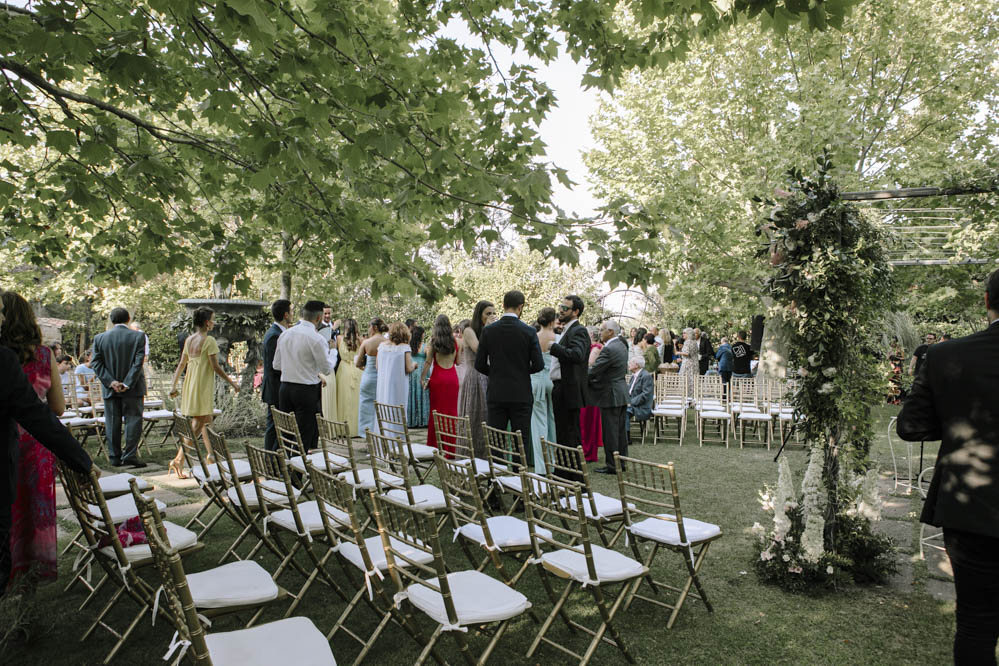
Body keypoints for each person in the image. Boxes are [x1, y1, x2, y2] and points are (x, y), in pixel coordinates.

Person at [896, 269, 999, 665]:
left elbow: (911, 426)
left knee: (976, 622)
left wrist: (958, 424)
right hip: (972, 507)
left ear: (986, 301)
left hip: (971, 503)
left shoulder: (946, 355)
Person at [0, 288, 92, 596]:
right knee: (32, 516)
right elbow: (56, 409)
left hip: (14, 443)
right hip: (36, 445)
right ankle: (28, 586)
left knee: (9, 515)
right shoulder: (42, 355)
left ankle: (9, 578)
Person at [169, 307, 240, 477]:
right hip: (201, 385)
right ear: (207, 323)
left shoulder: (189, 339)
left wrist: (173, 385)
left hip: (191, 383)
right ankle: (179, 460)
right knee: (197, 424)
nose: (214, 322)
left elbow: (181, 364)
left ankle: (211, 456)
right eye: (213, 319)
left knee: (206, 421)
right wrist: (232, 382)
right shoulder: (209, 341)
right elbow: (216, 367)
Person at [475, 291, 544, 463]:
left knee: (496, 440)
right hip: (521, 392)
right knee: (520, 441)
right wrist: (521, 371)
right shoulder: (528, 331)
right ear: (520, 307)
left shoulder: (489, 331)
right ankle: (519, 481)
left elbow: (479, 364)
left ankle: (495, 481)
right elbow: (539, 365)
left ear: (503, 305)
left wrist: (496, 372)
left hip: (497, 391)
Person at [91, 307, 147, 467]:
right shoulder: (138, 336)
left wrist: (111, 382)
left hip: (110, 388)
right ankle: (130, 455)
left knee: (112, 421)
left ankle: (114, 456)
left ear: (111, 320)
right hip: (134, 387)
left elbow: (95, 362)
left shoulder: (99, 338)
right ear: (128, 320)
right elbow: (138, 363)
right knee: (134, 420)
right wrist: (127, 383)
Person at [273, 301, 332, 452]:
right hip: (306, 391)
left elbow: (276, 365)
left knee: (285, 433)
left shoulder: (285, 334)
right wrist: (334, 354)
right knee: (303, 436)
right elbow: (326, 369)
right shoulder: (316, 338)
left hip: (285, 389)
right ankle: (297, 474)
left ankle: (282, 470)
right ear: (319, 318)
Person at [549, 294, 590, 451]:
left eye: (565, 308)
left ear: (576, 311)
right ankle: (563, 472)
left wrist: (554, 347)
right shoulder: (567, 329)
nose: (561, 310)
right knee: (562, 433)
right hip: (561, 387)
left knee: (569, 434)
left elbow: (577, 355)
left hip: (568, 389)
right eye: (560, 307)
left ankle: (573, 474)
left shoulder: (578, 330)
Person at [589, 321, 629, 474]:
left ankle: (612, 465)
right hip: (621, 392)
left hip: (611, 394)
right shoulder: (622, 345)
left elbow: (595, 370)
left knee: (610, 432)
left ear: (611, 332)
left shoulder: (609, 349)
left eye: (602, 330)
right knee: (619, 432)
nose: (600, 333)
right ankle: (622, 462)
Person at [459, 301, 494, 457]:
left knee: (486, 418)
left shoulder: (490, 331)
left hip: (488, 377)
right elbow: (479, 351)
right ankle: (470, 455)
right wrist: (488, 329)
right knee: (473, 416)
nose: (492, 316)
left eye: (494, 313)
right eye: (488, 313)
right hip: (474, 376)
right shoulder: (469, 330)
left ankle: (486, 455)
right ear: (479, 314)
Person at [422, 315, 459, 452]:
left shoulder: (434, 342)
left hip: (438, 379)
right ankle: (451, 447)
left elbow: (428, 362)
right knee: (451, 413)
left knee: (436, 413)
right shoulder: (454, 342)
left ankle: (435, 446)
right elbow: (458, 361)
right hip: (452, 378)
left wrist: (422, 378)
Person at [261, 299, 292, 452]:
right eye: (291, 311)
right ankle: (270, 460)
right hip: (275, 387)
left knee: (276, 425)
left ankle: (274, 458)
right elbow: (275, 366)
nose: (292, 314)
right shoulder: (275, 335)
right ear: (286, 314)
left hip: (277, 386)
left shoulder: (278, 332)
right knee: (274, 426)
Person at [530, 308, 557, 472]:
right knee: (552, 422)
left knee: (539, 424)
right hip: (552, 380)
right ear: (553, 321)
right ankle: (553, 463)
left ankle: (541, 466)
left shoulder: (534, 337)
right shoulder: (558, 337)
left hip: (537, 380)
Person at [375, 323, 415, 433]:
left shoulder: (382, 346)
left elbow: (377, 367)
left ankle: (383, 435)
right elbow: (408, 368)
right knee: (398, 408)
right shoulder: (405, 347)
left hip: (383, 384)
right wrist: (414, 366)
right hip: (399, 385)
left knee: (384, 406)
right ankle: (397, 437)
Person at [356, 318, 388, 437]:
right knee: (379, 406)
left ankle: (367, 436)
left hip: (368, 377)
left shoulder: (366, 342)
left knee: (366, 407)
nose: (368, 329)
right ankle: (380, 435)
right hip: (382, 378)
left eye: (369, 327)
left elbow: (358, 363)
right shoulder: (387, 342)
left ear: (374, 327)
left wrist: (365, 367)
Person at [579, 326, 603, 463]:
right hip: (585, 385)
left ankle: (588, 451)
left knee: (587, 420)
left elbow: (589, 363)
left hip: (590, 387)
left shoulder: (596, 347)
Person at [336, 318, 363, 437]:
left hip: (343, 370)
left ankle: (343, 428)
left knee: (343, 398)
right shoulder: (361, 340)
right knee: (356, 400)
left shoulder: (339, 339)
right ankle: (357, 429)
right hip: (358, 370)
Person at [626, 357, 654, 445]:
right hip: (631, 403)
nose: (628, 364)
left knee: (624, 412)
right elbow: (629, 391)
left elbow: (645, 395)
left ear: (636, 365)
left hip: (641, 406)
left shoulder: (646, 376)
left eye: (631, 363)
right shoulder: (633, 376)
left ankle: (626, 438)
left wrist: (630, 403)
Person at [407, 325, 430, 428]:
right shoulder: (425, 346)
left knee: (412, 395)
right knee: (422, 394)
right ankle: (423, 419)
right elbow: (429, 359)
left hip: (412, 370)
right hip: (421, 371)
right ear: (421, 335)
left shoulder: (408, 346)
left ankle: (412, 420)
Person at [677, 327, 699, 394]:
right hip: (694, 363)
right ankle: (693, 396)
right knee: (692, 380)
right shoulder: (694, 342)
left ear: (689, 334)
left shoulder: (687, 342)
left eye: (684, 333)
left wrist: (678, 352)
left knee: (687, 380)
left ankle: (686, 396)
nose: (683, 334)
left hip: (688, 364)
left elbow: (687, 353)